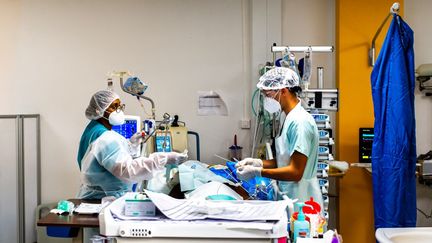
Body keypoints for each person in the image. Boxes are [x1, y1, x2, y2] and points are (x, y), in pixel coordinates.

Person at [236, 67, 323, 208]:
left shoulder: (300, 122)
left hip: (302, 200)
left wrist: (258, 172)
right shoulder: (287, 117)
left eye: (268, 95)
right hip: (290, 196)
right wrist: (257, 163)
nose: (266, 100)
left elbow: (295, 172)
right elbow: (285, 161)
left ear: (283, 90)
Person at [77, 90, 187, 199]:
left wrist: (131, 145)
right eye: (114, 106)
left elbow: (106, 158)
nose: (119, 111)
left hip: (93, 196)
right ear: (99, 110)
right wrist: (163, 159)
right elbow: (128, 171)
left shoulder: (92, 130)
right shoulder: (106, 138)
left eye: (120, 106)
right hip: (103, 200)